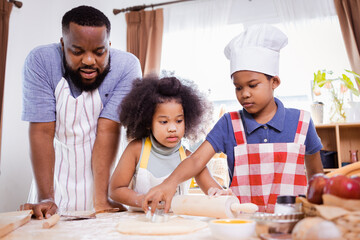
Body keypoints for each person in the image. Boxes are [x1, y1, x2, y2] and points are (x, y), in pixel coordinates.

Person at [143, 24, 324, 213]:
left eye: (252, 85)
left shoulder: (301, 122)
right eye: (238, 87)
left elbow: (316, 176)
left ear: (274, 82)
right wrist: (169, 184)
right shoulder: (229, 123)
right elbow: (196, 161)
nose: (244, 94)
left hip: (293, 223)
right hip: (242, 224)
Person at [20, 5, 142, 219]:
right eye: (77, 51)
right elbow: (42, 132)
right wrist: (46, 198)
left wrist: (101, 199)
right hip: (52, 181)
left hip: (105, 185)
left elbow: (107, 130)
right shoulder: (40, 61)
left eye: (99, 52)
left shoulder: (126, 67)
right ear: (62, 45)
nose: (88, 61)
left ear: (109, 46)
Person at [109, 76, 228, 210]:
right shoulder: (136, 150)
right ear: (148, 122)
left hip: (178, 227)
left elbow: (215, 192)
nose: (173, 128)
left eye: (178, 121)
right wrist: (143, 200)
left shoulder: (191, 158)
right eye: (164, 122)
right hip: (141, 226)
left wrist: (217, 194)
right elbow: (115, 190)